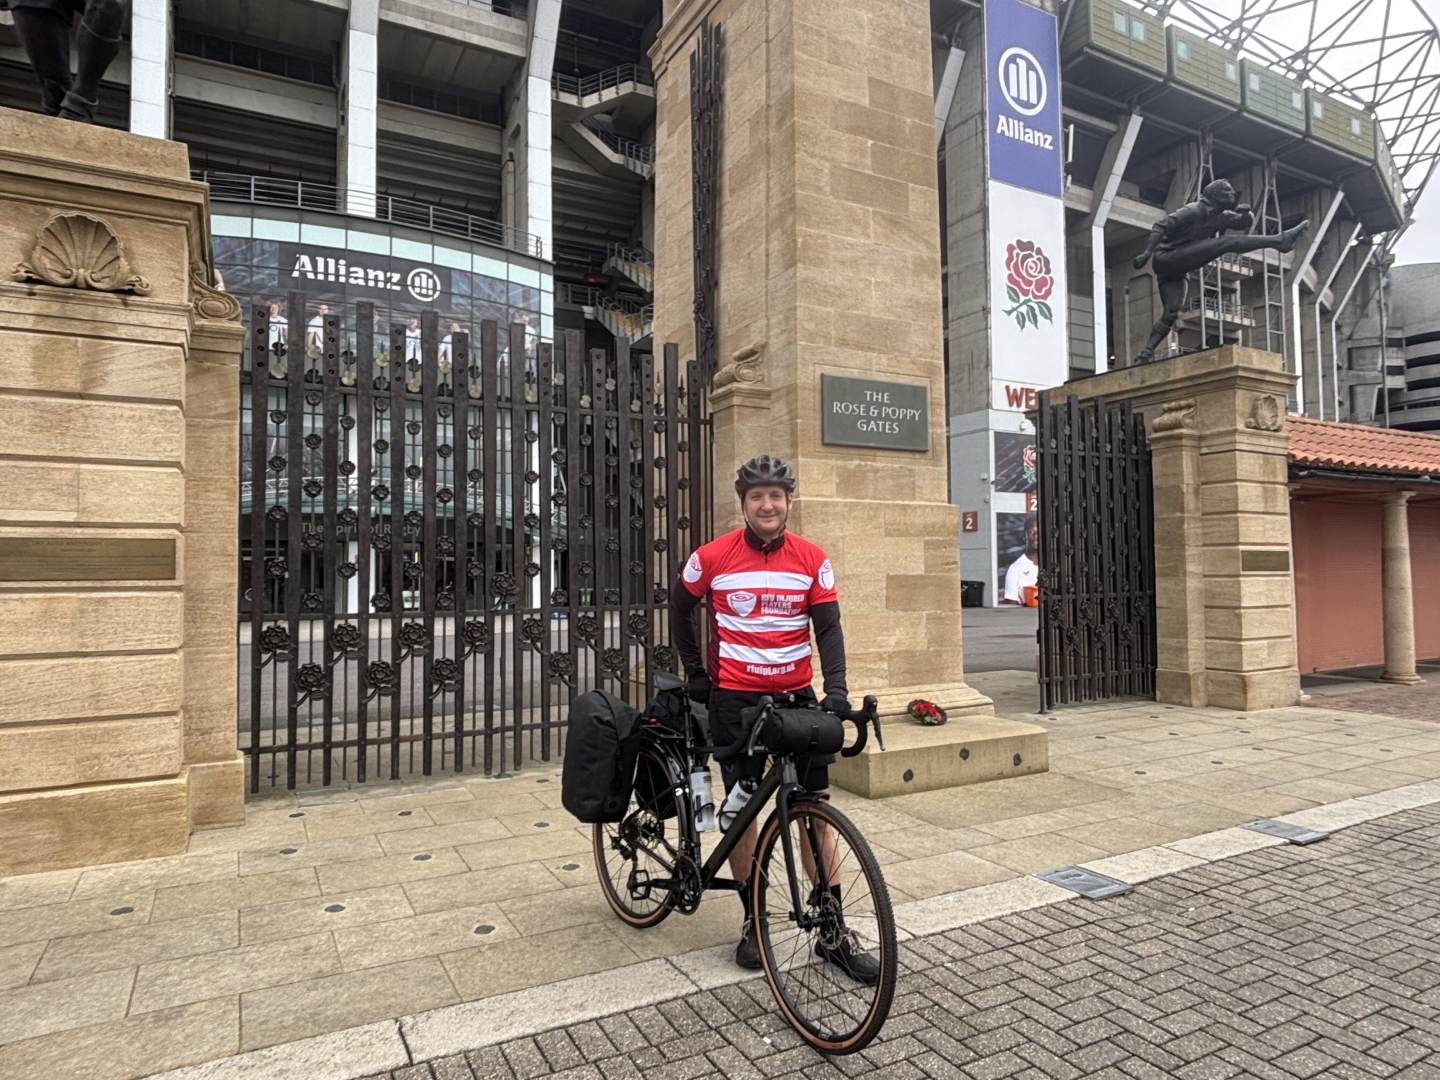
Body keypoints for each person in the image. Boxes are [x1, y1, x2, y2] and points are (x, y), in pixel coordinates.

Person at [669, 454, 880, 983]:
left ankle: (832, 931)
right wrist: (696, 672)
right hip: (734, 701)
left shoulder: (812, 559)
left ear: (789, 502)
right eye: (757, 495)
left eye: (776, 495)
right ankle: (752, 922)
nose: (767, 504)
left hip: (796, 699)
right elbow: (678, 608)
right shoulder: (712, 556)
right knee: (743, 812)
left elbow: (828, 630)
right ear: (744, 503)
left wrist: (836, 691)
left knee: (812, 810)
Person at [1131, 180, 1308, 364]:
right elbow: (1160, 226)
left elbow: (1241, 223)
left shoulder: (1222, 215)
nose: (1233, 194)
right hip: (1166, 257)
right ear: (1215, 195)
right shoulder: (1194, 210)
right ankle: (1280, 240)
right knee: (1226, 242)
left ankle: (1145, 354)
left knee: (1171, 312)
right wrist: (1146, 253)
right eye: (1228, 191)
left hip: (1178, 269)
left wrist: (1246, 213)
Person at [1002, 515, 1039, 605]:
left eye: (1038, 532)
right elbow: (1011, 601)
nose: (1035, 536)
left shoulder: (1054, 565)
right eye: (1031, 532)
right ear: (1025, 537)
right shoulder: (1015, 568)